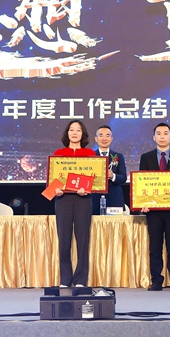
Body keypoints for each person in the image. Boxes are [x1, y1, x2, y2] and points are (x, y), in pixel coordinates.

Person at [139, 123, 170, 292]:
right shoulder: (146, 157)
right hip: (153, 211)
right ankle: (156, 280)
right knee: (155, 246)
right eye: (158, 133)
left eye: (165, 133)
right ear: (154, 137)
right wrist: (142, 204)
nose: (162, 136)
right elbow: (141, 182)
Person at [53, 119, 96, 287]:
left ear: (83, 134)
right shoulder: (58, 153)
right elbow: (53, 179)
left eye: (78, 130)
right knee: (64, 241)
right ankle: (65, 279)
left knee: (83, 241)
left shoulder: (90, 154)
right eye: (72, 130)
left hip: (83, 200)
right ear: (67, 133)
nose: (75, 133)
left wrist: (87, 188)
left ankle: (80, 280)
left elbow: (95, 179)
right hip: (63, 200)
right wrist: (56, 189)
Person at [91, 125, 128, 215]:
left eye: (107, 135)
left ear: (111, 139)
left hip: (114, 199)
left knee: (115, 224)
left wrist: (113, 176)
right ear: (96, 139)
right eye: (101, 135)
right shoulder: (90, 156)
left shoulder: (118, 156)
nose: (104, 138)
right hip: (94, 200)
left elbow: (123, 178)